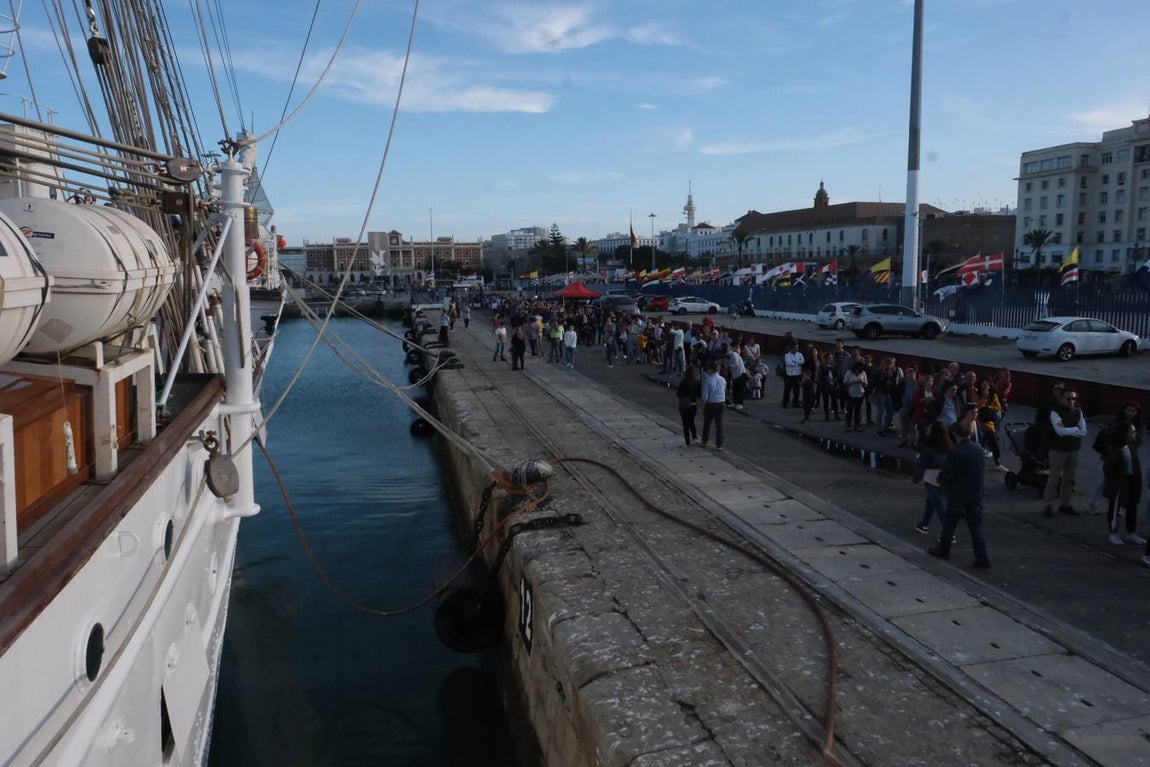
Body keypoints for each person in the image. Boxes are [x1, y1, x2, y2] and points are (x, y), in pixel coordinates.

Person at [929, 421, 991, 569]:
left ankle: (943, 550)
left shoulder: (955, 452)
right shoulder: (979, 450)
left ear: (956, 434)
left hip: (958, 493)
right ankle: (981, 557)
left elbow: (947, 473)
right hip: (975, 493)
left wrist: (940, 481)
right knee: (976, 527)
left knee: (950, 524)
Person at [1043, 386, 1087, 517]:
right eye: (1068, 398)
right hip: (1057, 449)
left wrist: (1071, 430)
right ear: (1061, 399)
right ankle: (1048, 505)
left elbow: (1084, 431)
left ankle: (1065, 504)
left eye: (1074, 398)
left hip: (1073, 449)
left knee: (1069, 479)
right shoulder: (1055, 413)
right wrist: (1075, 430)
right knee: (1053, 479)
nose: (1071, 401)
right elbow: (1060, 432)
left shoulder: (1078, 411)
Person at [1102, 421, 1146, 545]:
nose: (1135, 434)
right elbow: (1108, 468)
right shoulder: (1115, 448)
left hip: (1132, 479)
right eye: (1132, 431)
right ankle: (1113, 533)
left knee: (1132, 505)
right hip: (1119, 482)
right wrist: (1117, 480)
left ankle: (1131, 532)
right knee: (1115, 507)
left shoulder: (1131, 446)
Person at [914, 421, 953, 535]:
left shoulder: (928, 448)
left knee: (937, 503)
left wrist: (916, 477)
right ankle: (924, 524)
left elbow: (921, 464)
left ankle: (948, 532)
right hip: (944, 476)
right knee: (931, 500)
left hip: (931, 477)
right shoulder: (948, 446)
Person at [700, 361, 726, 451]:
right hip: (721, 402)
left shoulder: (708, 380)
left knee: (707, 423)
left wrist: (702, 406)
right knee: (719, 425)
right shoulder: (722, 379)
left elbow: (705, 396)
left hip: (711, 403)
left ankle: (704, 441)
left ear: (710, 370)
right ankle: (719, 444)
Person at [676, 365, 701, 447]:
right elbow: (699, 395)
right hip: (693, 404)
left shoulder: (683, 382)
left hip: (683, 405)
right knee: (691, 421)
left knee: (685, 423)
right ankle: (694, 437)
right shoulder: (697, 382)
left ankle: (687, 441)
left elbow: (678, 394)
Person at [842, 360, 868, 432]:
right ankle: (848, 426)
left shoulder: (863, 373)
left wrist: (863, 382)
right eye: (858, 369)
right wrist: (853, 382)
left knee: (858, 411)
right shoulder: (849, 373)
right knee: (850, 411)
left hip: (860, 394)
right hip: (851, 394)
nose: (858, 371)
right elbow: (845, 383)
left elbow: (866, 384)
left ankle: (857, 425)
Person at [724, 343, 748, 410]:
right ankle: (735, 402)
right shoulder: (727, 357)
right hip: (735, 375)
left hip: (741, 374)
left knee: (741, 389)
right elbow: (726, 364)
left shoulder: (734, 354)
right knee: (735, 390)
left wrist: (728, 366)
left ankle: (740, 404)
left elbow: (736, 364)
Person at [782, 340, 804, 408]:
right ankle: (785, 403)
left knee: (796, 390)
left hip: (797, 374)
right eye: (795, 347)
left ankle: (795, 402)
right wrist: (797, 363)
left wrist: (794, 362)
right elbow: (788, 363)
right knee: (787, 390)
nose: (797, 349)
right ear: (792, 348)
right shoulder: (787, 355)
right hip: (789, 375)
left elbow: (802, 361)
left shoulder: (800, 354)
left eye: (797, 347)